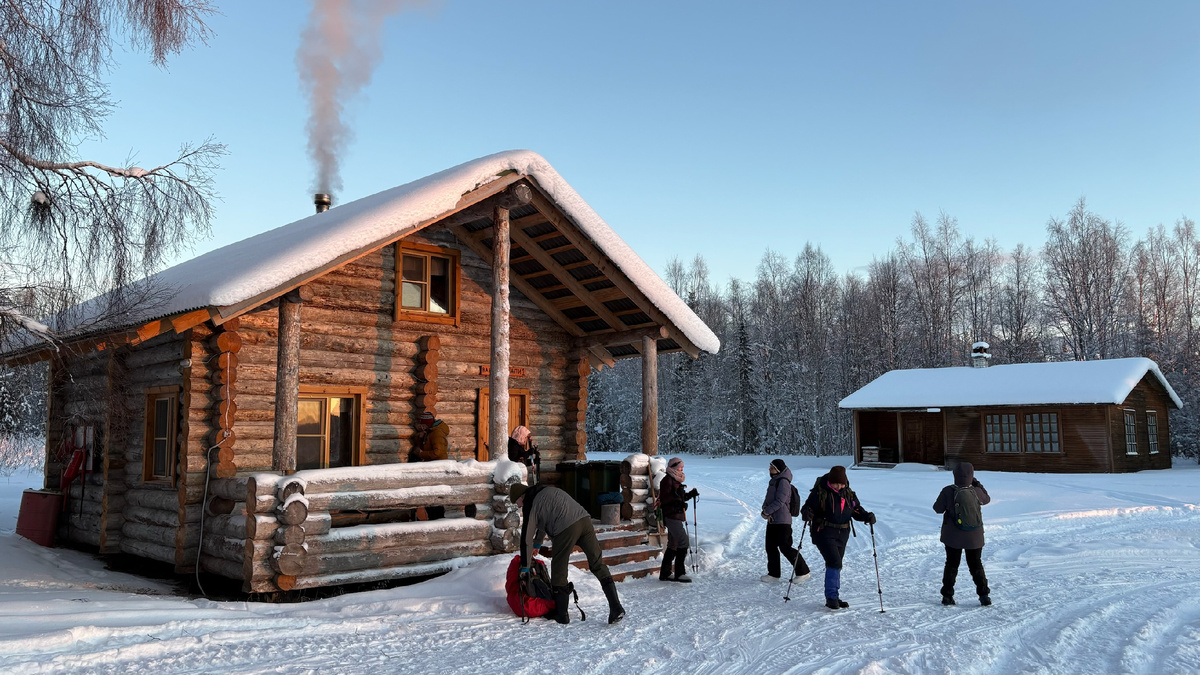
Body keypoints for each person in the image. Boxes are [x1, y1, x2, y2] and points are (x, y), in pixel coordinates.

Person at [511, 482, 625, 624]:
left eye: (517, 503)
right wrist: (538, 543)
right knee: (597, 564)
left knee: (559, 568)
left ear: (521, 497)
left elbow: (526, 537)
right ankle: (616, 607)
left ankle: (562, 614)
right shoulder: (546, 490)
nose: (519, 506)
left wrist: (525, 566)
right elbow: (545, 518)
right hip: (584, 520)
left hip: (566, 528)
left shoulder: (530, 503)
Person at [800, 465, 876, 610]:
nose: (839, 486)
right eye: (836, 483)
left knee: (836, 563)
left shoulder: (848, 493)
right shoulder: (820, 492)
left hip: (843, 533)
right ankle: (831, 597)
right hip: (823, 531)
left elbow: (856, 509)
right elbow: (808, 506)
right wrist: (807, 512)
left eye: (841, 484)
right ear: (830, 481)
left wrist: (867, 516)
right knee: (834, 562)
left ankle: (834, 595)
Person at [933, 462, 992, 606]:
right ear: (971, 475)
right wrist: (977, 484)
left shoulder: (948, 491)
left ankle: (947, 596)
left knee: (951, 564)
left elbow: (937, 509)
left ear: (954, 475)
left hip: (952, 537)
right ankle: (984, 595)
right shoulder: (976, 491)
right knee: (976, 565)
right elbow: (987, 499)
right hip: (974, 537)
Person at [760, 458, 809, 583]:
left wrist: (767, 511)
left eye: (772, 467)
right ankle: (773, 574)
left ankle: (803, 572)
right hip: (773, 520)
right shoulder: (774, 481)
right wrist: (765, 509)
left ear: (778, 469)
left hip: (782, 521)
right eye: (770, 466)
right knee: (770, 547)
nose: (769, 469)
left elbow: (780, 501)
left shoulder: (783, 482)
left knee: (785, 547)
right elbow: (769, 499)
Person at [657, 457, 699, 582]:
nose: (682, 469)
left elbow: (679, 498)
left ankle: (665, 573)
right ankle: (679, 573)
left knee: (673, 544)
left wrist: (690, 495)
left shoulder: (675, 480)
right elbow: (665, 499)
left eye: (682, 467)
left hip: (676, 515)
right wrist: (678, 504)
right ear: (674, 467)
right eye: (680, 467)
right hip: (671, 516)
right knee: (683, 542)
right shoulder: (667, 480)